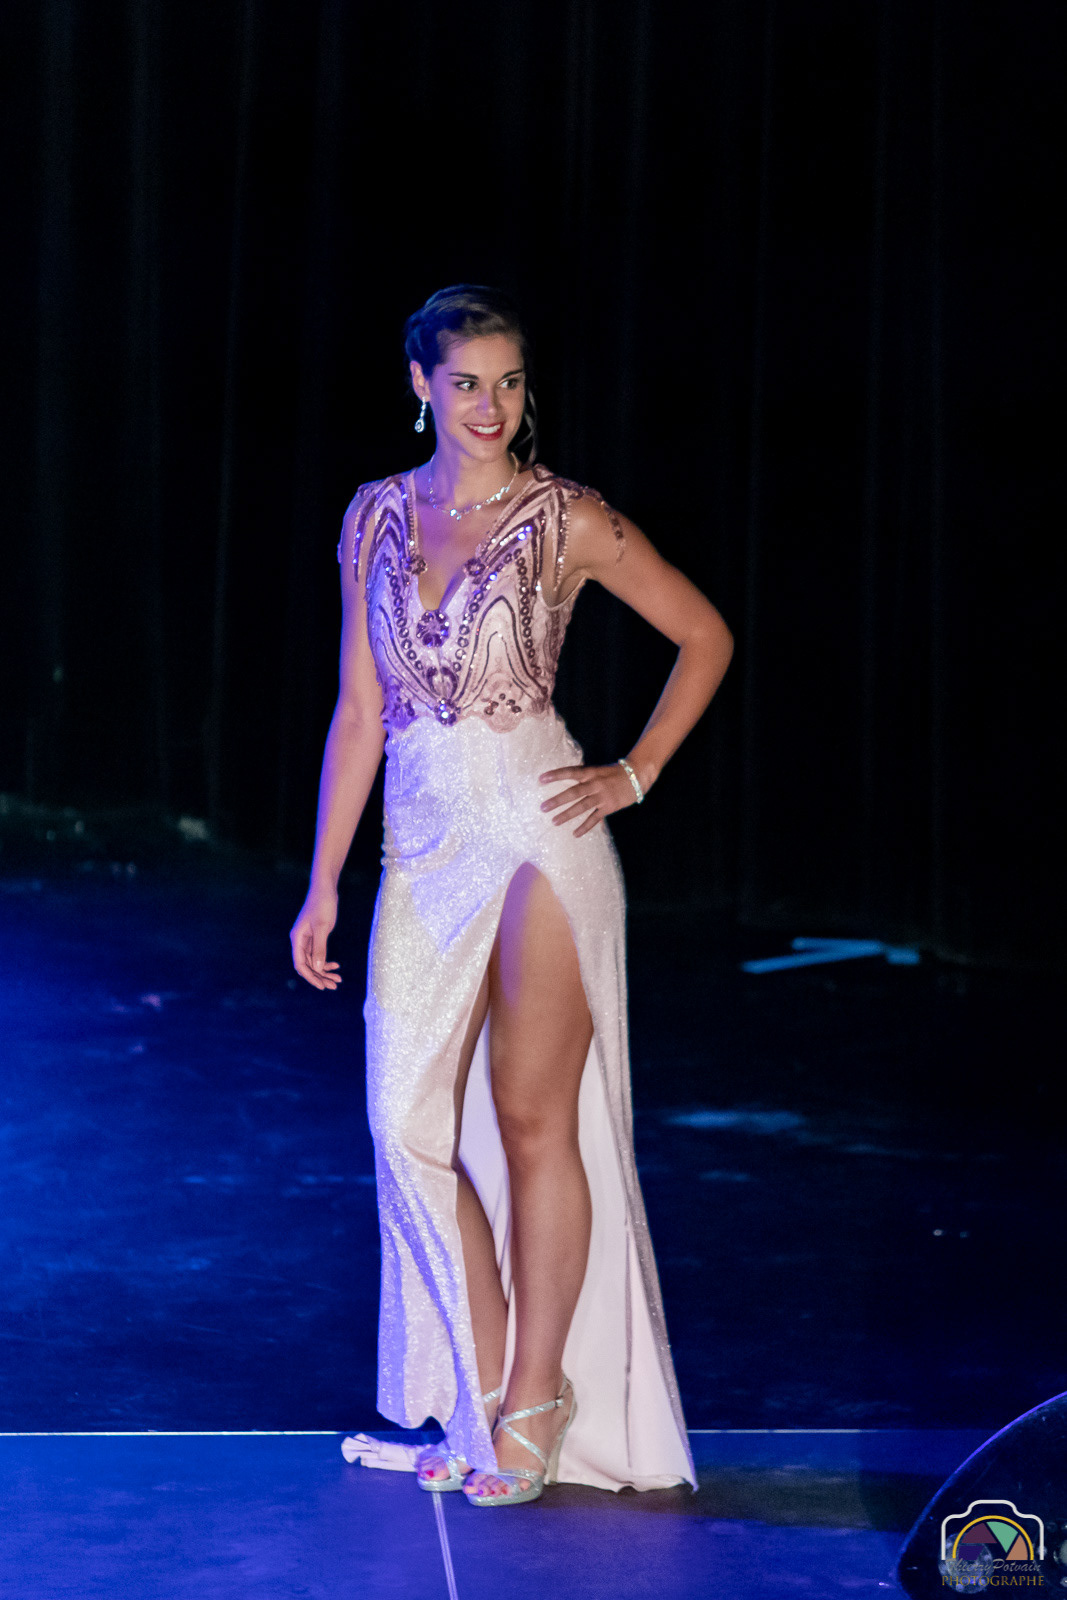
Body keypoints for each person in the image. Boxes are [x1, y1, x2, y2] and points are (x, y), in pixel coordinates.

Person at [290, 285, 733, 1506]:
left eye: (509, 382)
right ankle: (481, 1384)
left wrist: (634, 771)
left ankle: (531, 1400)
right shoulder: (375, 516)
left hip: (540, 834)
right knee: (401, 1124)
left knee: (534, 1122)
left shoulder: (565, 517)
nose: (490, 406)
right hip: (422, 852)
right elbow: (360, 712)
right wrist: (322, 881)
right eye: (467, 383)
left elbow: (703, 633)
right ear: (420, 385)